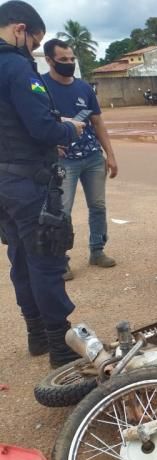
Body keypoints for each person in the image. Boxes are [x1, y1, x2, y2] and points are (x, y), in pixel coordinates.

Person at [0, 0, 86, 367]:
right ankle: (60, 346)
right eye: (35, 42)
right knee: (46, 257)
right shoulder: (17, 68)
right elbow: (41, 128)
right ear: (20, 29)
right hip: (28, 182)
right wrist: (68, 129)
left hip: (4, 183)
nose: (33, 49)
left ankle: (36, 333)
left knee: (20, 256)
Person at [43, 38, 117, 280]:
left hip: (92, 157)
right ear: (49, 60)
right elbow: (35, 123)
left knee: (98, 206)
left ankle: (97, 250)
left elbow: (97, 122)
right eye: (63, 59)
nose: (69, 63)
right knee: (61, 211)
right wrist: (50, 145)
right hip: (64, 161)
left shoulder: (84, 88)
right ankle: (60, 260)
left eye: (71, 58)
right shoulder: (40, 87)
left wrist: (110, 155)